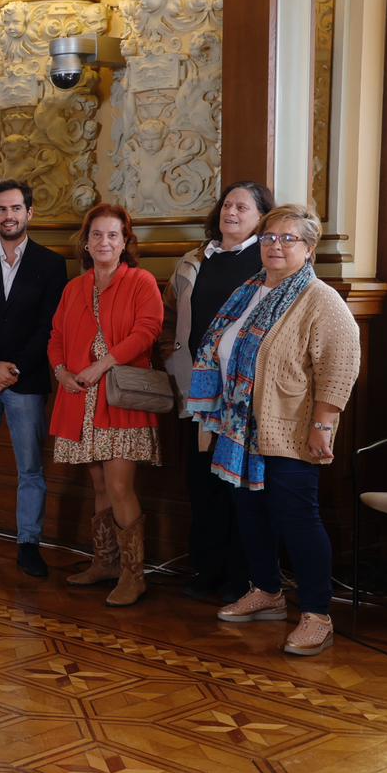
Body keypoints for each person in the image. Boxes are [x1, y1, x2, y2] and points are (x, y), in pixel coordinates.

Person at [188, 205, 360, 656]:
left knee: (297, 519)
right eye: (268, 238)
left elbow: (339, 367)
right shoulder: (247, 291)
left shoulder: (320, 299)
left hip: (291, 428)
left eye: (288, 238)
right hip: (239, 428)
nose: (276, 246)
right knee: (250, 512)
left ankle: (317, 614)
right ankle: (266, 591)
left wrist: (323, 424)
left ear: (309, 248)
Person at [162, 181, 273, 604]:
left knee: (238, 486)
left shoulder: (267, 259)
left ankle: (240, 577)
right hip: (197, 391)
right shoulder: (194, 259)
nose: (231, 212)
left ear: (261, 216)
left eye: (242, 207)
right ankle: (206, 570)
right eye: (228, 204)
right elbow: (171, 314)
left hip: (242, 395)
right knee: (201, 482)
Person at [48, 203, 163, 607]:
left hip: (121, 397)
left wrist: (102, 364)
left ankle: (134, 576)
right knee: (98, 485)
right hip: (80, 397)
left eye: (113, 235)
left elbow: (148, 331)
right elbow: (56, 336)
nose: (104, 242)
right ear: (86, 241)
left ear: (125, 241)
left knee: (119, 486)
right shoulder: (74, 288)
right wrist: (61, 371)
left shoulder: (141, 281)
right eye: (96, 234)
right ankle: (105, 563)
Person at [0, 180, 69, 576]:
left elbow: (49, 326)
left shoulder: (51, 265)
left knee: (31, 468)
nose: (9, 216)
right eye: (2, 209)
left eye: (16, 208)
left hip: (26, 380)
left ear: (29, 213)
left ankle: (28, 546)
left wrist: (13, 368)